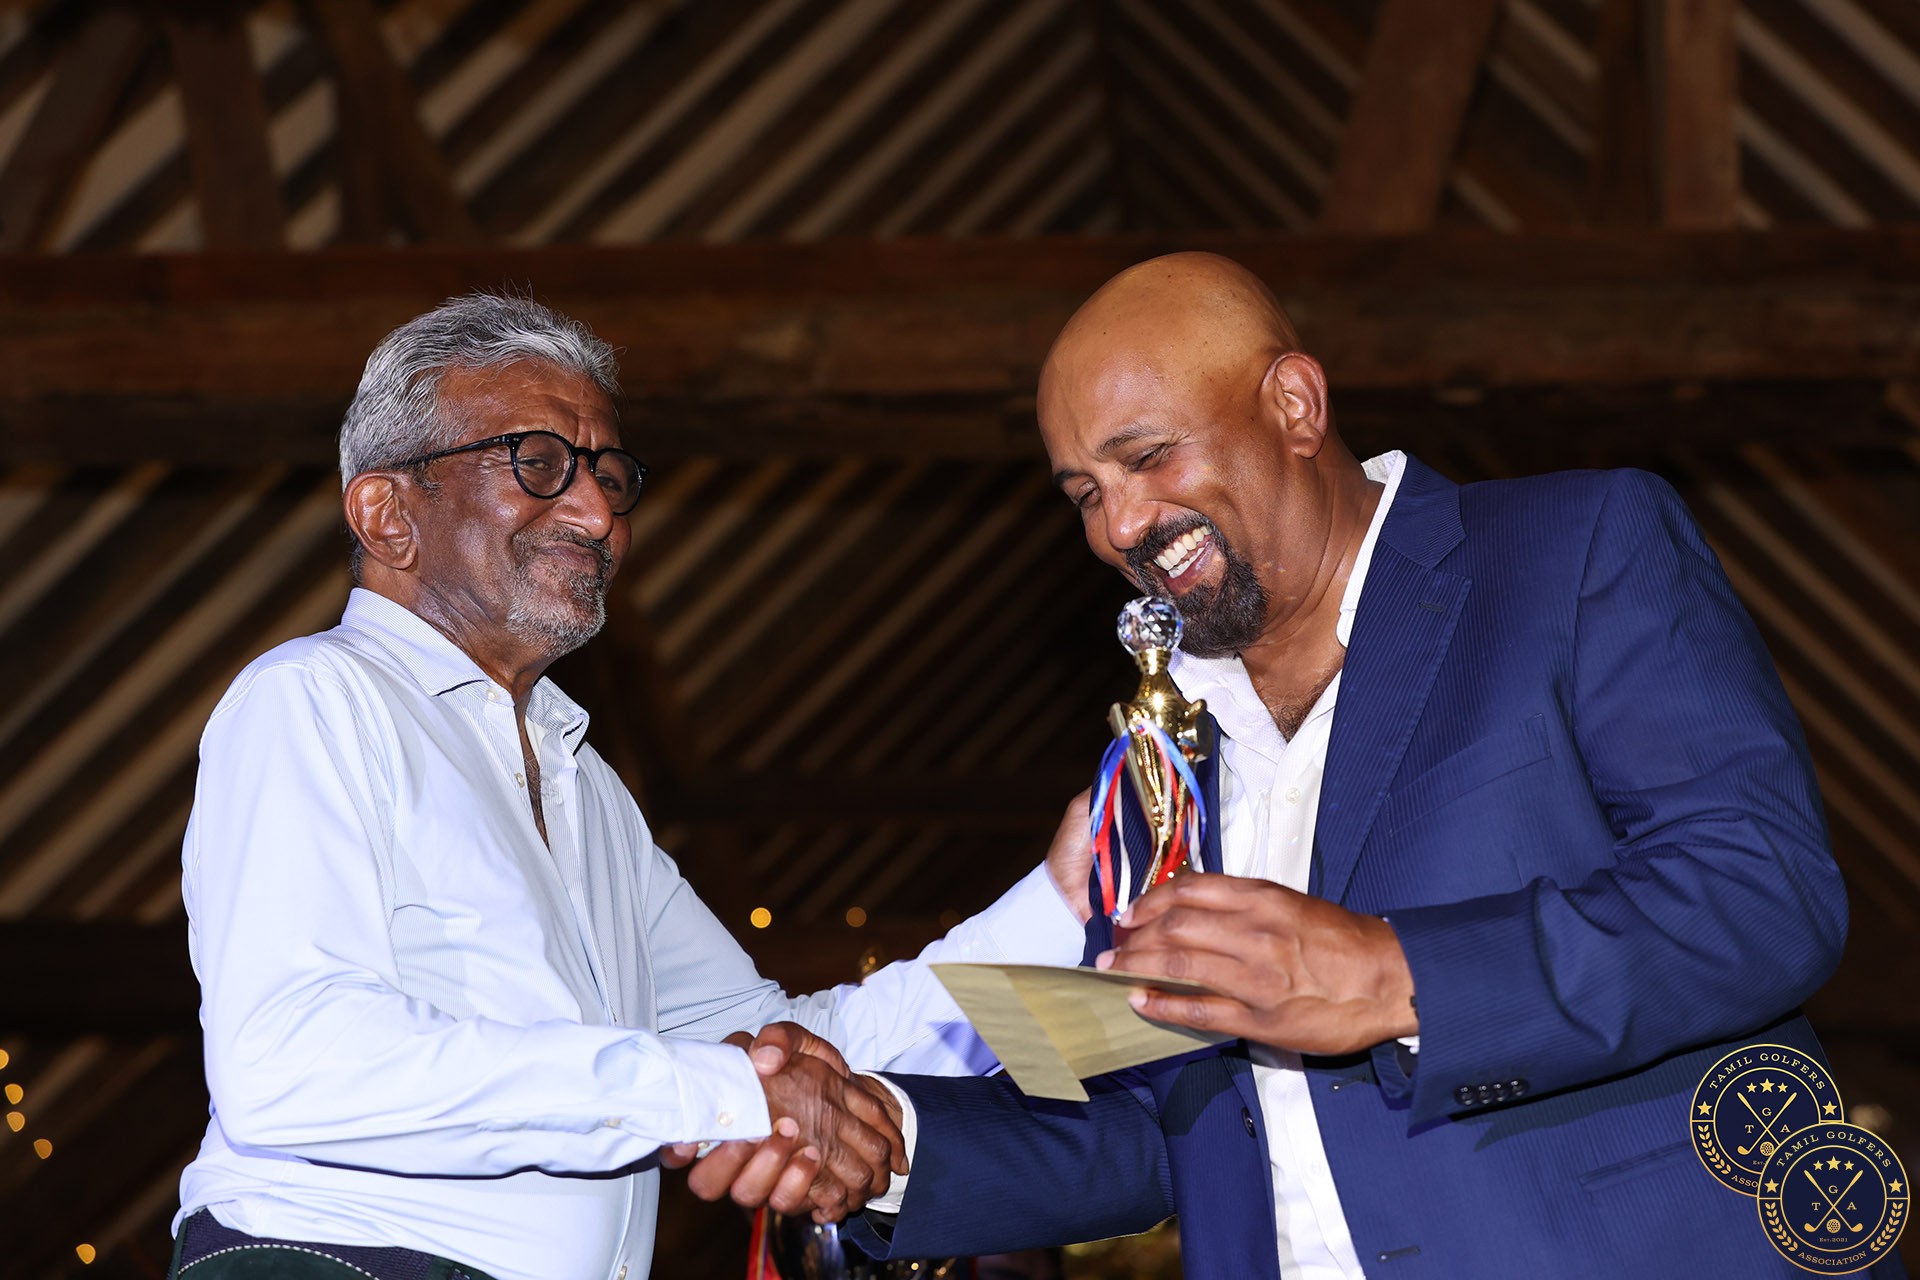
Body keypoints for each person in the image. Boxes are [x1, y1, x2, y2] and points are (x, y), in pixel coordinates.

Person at [704, 252, 1889, 1277]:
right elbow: (1165, 1121)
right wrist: (889, 1141)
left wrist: (1394, 974)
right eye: (1086, 494)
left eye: (1147, 456)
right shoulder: (1157, 762)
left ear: (1294, 403)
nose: (1120, 527)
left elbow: (1763, 890)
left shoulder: (1571, 551)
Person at [167, 293, 1090, 1280]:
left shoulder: (587, 787)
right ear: (388, 514)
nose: (598, 513)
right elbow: (291, 1061)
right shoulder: (314, 698)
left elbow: (792, 1048)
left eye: (610, 475)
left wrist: (1067, 910)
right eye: (537, 462)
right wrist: (719, 1092)